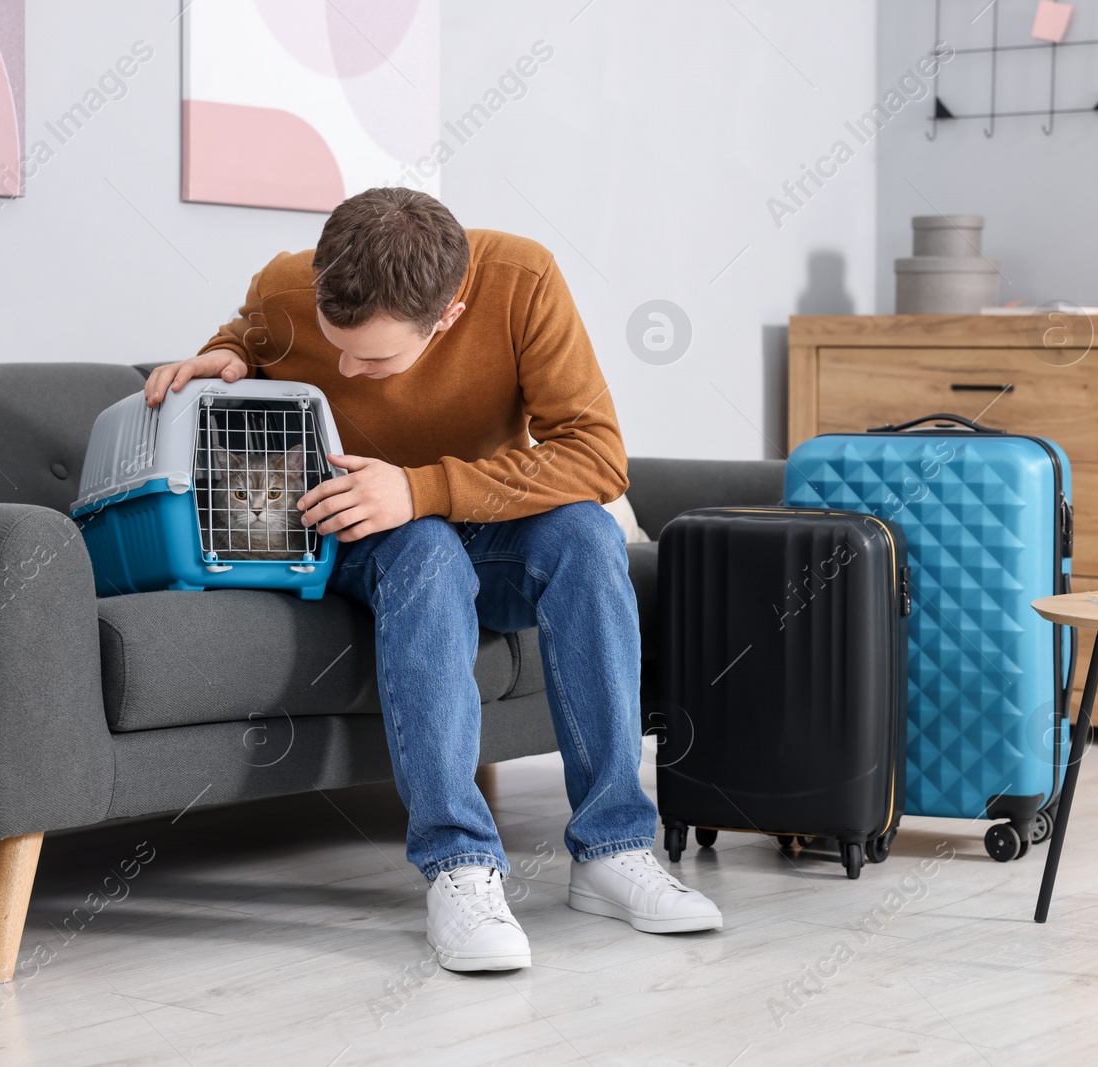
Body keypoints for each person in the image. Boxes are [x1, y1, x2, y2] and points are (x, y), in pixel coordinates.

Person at [145, 187, 721, 972]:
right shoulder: (287, 283)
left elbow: (597, 456)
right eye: (334, 339)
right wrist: (227, 354)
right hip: (352, 534)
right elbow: (247, 335)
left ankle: (613, 850)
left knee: (587, 534)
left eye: (374, 357)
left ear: (447, 314)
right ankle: (459, 867)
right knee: (424, 549)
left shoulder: (523, 282)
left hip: (470, 519)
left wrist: (421, 488)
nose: (349, 367)